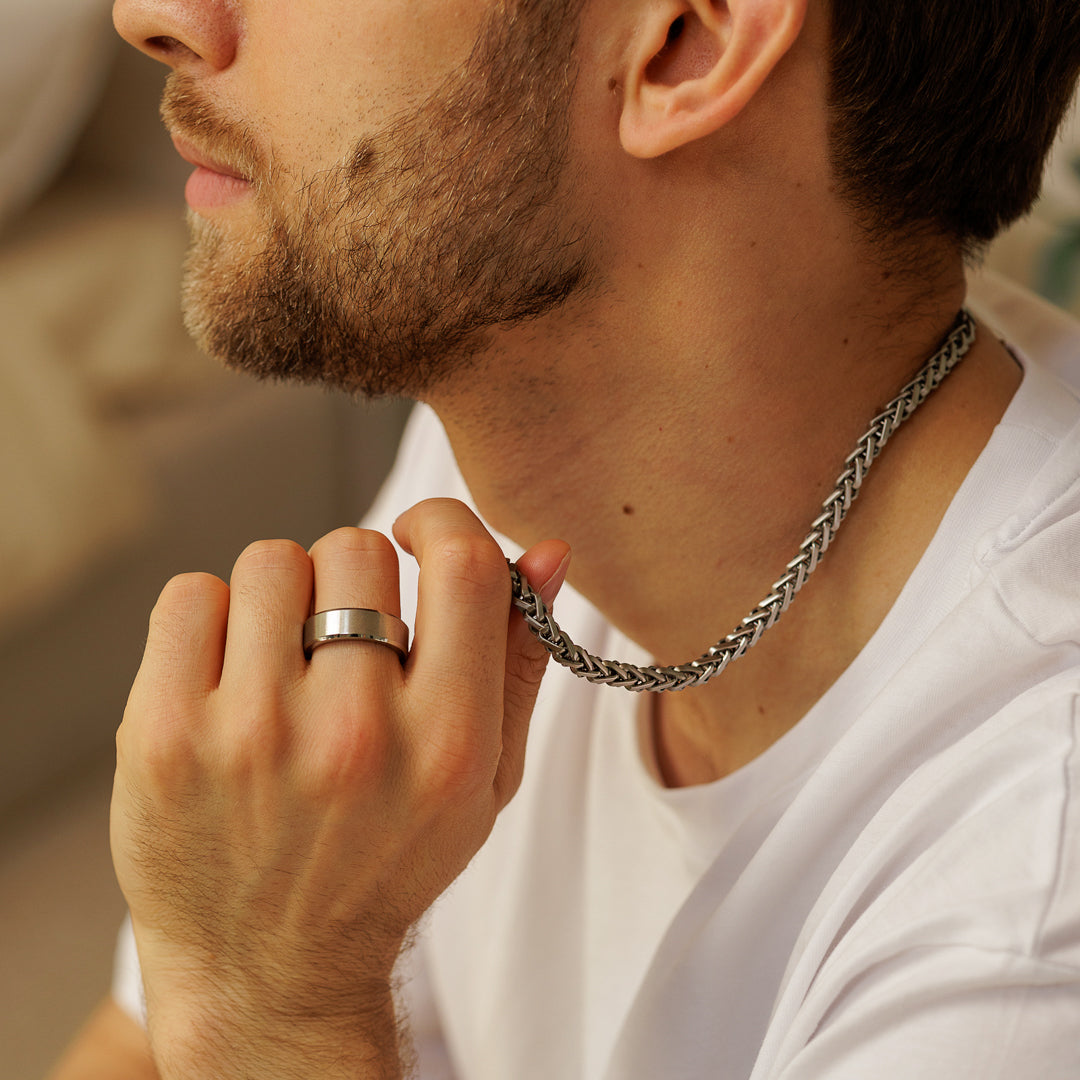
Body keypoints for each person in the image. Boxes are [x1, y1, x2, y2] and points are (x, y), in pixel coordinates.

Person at [50, 0, 1080, 1077]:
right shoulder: (522, 417)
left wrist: (273, 1005)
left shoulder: (1024, 928)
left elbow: (215, 1022)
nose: (152, 17)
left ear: (688, 42)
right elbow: (138, 1047)